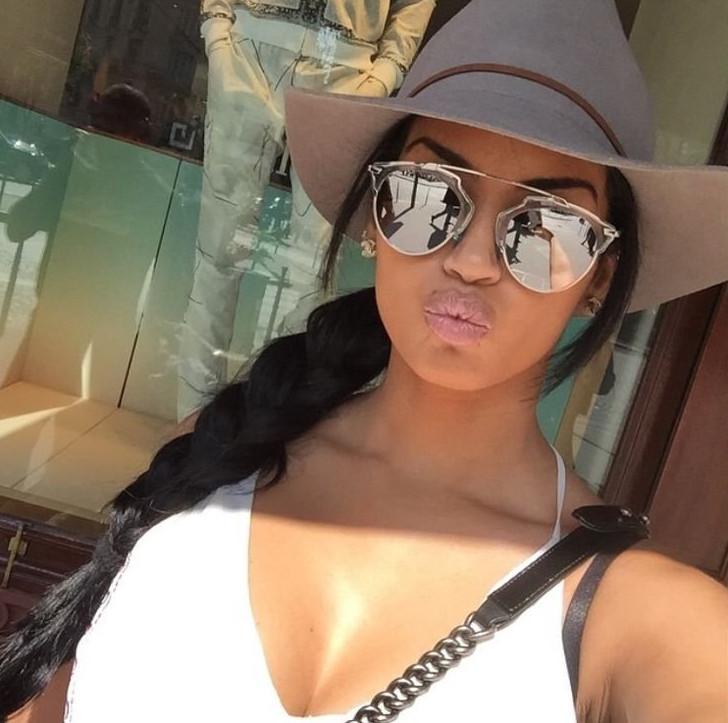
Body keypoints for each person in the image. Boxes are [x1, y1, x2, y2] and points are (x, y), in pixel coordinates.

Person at [3, 1, 728, 721]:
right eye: (427, 194)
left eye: (546, 227)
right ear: (374, 218)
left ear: (598, 277)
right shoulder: (220, 448)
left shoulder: (632, 616)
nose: (472, 260)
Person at [176, 0, 437, 420]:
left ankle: (280, 424)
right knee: (217, 253)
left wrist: (386, 72)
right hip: (250, 48)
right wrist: (218, 27)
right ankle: (192, 421)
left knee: (313, 271)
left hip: (346, 67)